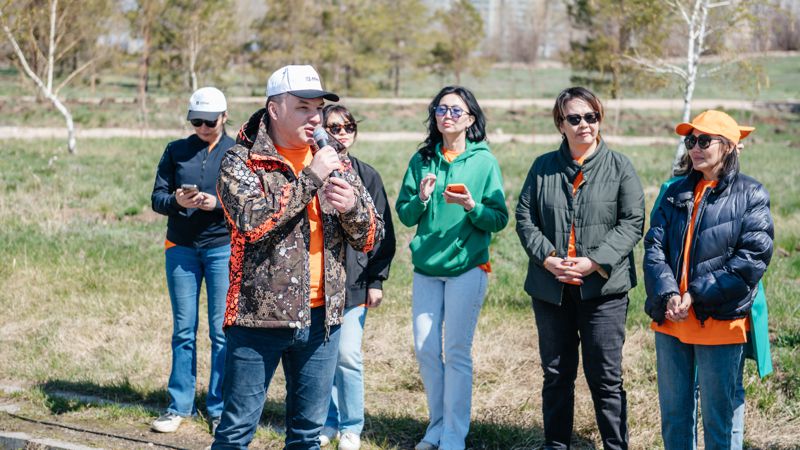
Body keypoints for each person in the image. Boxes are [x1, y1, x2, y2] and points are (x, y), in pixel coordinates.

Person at [211, 65, 384, 450]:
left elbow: (371, 235)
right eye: (303, 107)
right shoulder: (240, 161)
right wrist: (310, 180)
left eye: (318, 108)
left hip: (323, 320)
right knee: (237, 431)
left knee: (307, 435)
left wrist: (352, 206)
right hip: (258, 318)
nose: (315, 118)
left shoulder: (333, 156)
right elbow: (251, 223)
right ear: (275, 109)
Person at [515, 86, 644, 450]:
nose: (585, 125)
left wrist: (594, 262)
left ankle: (615, 446)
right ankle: (557, 445)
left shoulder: (620, 167)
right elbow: (525, 218)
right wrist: (548, 258)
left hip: (603, 292)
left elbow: (633, 221)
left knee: (605, 377)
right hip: (551, 288)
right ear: (561, 124)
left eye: (591, 116)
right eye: (575, 118)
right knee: (556, 375)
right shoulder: (542, 167)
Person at [644, 110, 774, 450]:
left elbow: (751, 260)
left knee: (719, 418)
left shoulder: (752, 195)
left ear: (730, 147)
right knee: (674, 417)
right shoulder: (673, 191)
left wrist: (696, 296)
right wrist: (670, 294)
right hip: (671, 321)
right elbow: (654, 247)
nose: (695, 148)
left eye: (704, 140)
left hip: (719, 322)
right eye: (690, 141)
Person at [395, 86, 508, 450]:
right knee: (427, 350)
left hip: (467, 268)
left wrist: (473, 206)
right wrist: (422, 197)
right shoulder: (422, 160)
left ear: (470, 119)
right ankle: (437, 427)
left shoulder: (484, 161)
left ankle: (454, 436)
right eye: (441, 109)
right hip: (427, 268)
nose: (447, 115)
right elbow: (405, 213)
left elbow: (498, 218)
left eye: (456, 111)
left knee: (456, 350)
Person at [150, 86, 234, 435]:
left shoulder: (238, 153)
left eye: (209, 121)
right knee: (183, 330)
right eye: (196, 121)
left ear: (224, 118)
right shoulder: (176, 150)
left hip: (221, 248)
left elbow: (251, 201)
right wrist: (178, 203)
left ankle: (219, 408)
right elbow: (157, 198)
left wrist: (217, 203)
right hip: (181, 247)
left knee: (221, 332)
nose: (202, 127)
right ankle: (178, 405)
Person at [317, 105, 396, 450]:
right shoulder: (312, 171)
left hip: (355, 283)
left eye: (348, 126)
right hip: (319, 282)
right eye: (333, 127)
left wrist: (376, 280)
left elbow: (384, 234)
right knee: (321, 357)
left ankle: (351, 426)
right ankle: (327, 421)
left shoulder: (368, 176)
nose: (342, 132)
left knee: (347, 355)